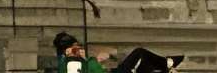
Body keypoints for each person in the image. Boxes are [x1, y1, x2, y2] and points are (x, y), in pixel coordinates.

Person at [50, 37, 182, 71]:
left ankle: (167, 65)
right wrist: (93, 60)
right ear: (67, 50)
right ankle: (167, 63)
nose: (78, 49)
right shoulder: (72, 64)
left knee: (143, 63)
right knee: (139, 53)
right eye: (75, 47)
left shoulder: (66, 62)